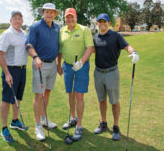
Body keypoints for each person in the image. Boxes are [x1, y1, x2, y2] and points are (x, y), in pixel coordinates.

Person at [92, 13, 139, 141]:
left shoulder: (116, 36)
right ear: (97, 24)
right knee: (101, 99)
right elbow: (89, 50)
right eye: (100, 21)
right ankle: (103, 123)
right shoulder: (95, 37)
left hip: (111, 72)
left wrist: (133, 52)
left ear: (109, 23)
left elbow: (127, 46)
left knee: (114, 101)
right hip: (98, 72)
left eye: (104, 21)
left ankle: (116, 126)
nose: (102, 23)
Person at [57, 8, 94, 141]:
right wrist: (58, 64)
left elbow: (90, 48)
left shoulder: (84, 30)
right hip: (67, 66)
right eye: (67, 17)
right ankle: (73, 118)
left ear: (76, 17)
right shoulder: (62, 31)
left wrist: (81, 62)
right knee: (70, 93)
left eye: (72, 17)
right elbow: (60, 50)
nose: (70, 19)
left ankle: (79, 125)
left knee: (79, 95)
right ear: (65, 19)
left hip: (81, 67)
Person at [25, 3, 61, 141]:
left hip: (52, 65)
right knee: (39, 96)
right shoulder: (35, 27)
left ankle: (44, 118)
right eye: (47, 12)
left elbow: (58, 47)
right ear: (43, 13)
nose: (50, 14)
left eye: (52, 12)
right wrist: (35, 57)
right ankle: (38, 126)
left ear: (55, 14)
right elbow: (28, 44)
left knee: (47, 93)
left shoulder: (57, 27)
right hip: (40, 65)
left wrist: (58, 64)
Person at [0, 11, 28, 142]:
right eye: (15, 18)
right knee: (6, 100)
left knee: (17, 98)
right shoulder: (7, 34)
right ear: (10, 20)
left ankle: (15, 121)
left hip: (22, 70)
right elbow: (0, 54)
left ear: (22, 21)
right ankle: (4, 128)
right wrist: (7, 74)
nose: (17, 21)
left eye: (19, 18)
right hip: (11, 70)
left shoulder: (24, 34)